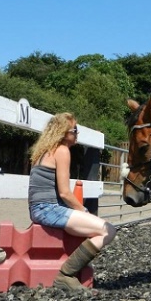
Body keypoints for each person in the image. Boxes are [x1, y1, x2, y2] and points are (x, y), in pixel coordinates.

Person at [28, 112, 117, 290]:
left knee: (93, 227)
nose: (77, 133)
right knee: (108, 231)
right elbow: (65, 193)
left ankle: (71, 270)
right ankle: (66, 275)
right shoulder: (61, 151)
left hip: (39, 209)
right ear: (63, 132)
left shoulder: (43, 152)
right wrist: (83, 211)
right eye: (75, 130)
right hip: (49, 209)